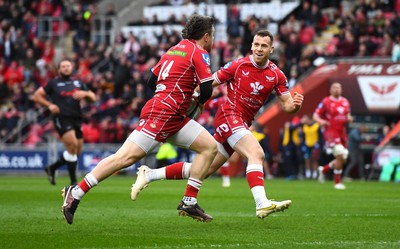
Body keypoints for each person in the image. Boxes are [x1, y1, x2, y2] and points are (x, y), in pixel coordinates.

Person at [61, 14, 217, 224]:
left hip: (172, 113)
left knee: (209, 147)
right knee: (124, 158)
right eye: (213, 35)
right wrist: (197, 101)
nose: (213, 39)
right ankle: (76, 192)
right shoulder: (199, 52)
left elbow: (150, 81)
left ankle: (189, 201)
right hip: (165, 113)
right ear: (206, 36)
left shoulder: (173, 50)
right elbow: (207, 88)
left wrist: (172, 94)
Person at [131, 30, 304, 219]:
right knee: (256, 153)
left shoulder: (277, 75)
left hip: (242, 122)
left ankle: (149, 175)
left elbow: (287, 105)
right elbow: (209, 82)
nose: (259, 49)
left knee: (205, 169)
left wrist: (295, 106)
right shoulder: (238, 65)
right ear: (251, 46)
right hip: (229, 115)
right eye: (256, 44)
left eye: (263, 46)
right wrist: (192, 96)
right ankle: (262, 203)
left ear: (271, 49)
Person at [32, 59, 96, 186]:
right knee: (72, 146)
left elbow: (93, 98)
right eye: (63, 66)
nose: (66, 68)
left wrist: (85, 93)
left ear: (71, 68)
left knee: (76, 152)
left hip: (77, 118)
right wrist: (49, 105)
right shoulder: (53, 83)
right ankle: (73, 182)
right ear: (59, 69)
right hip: (62, 117)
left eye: (68, 66)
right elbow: (36, 96)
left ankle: (52, 168)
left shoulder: (77, 82)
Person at [313, 82, 352, 190]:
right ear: (330, 90)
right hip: (330, 132)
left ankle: (324, 169)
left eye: (338, 87)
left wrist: (349, 118)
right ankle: (337, 183)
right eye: (334, 88)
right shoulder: (326, 101)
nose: (336, 89)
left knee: (343, 158)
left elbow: (348, 115)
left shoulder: (345, 102)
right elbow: (315, 115)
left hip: (342, 133)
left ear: (341, 89)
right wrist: (322, 121)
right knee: (340, 155)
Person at [300, 114, 322, 179]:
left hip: (315, 145)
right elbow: (303, 137)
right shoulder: (304, 126)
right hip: (307, 145)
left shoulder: (316, 126)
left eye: (304, 118)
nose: (303, 119)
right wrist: (304, 144)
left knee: (314, 159)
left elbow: (320, 137)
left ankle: (315, 174)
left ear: (308, 119)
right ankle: (308, 173)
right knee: (307, 159)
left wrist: (318, 143)